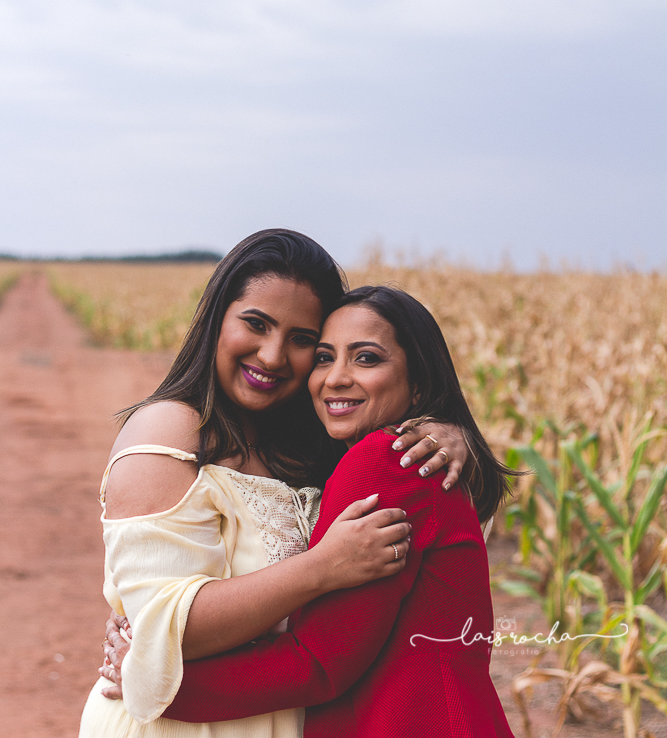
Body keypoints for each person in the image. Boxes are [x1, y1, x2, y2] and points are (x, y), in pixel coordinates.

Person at [80, 230, 469, 737]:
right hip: (179, 725)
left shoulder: (316, 444)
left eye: (303, 340)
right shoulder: (172, 428)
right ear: (218, 317)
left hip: (277, 714)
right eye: (256, 324)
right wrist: (323, 567)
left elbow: (442, 533)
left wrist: (453, 433)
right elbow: (162, 630)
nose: (271, 355)